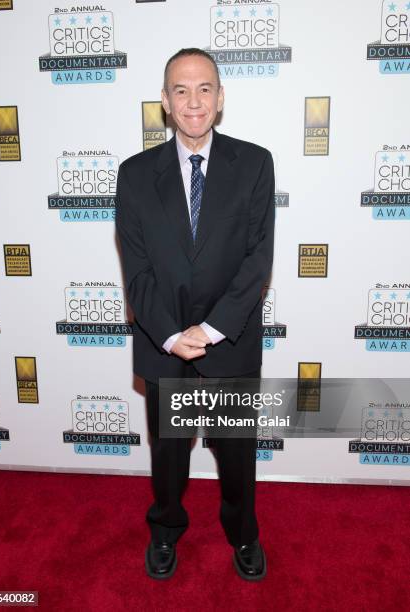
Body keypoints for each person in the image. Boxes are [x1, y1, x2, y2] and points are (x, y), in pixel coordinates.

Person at [116, 48, 275, 581]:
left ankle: (243, 532)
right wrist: (168, 335)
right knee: (168, 459)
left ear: (221, 97)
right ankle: (165, 530)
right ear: (164, 102)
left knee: (236, 456)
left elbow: (258, 261)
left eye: (204, 88)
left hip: (229, 341)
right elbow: (135, 268)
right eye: (180, 90)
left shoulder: (254, 164)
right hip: (165, 346)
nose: (193, 101)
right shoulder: (134, 175)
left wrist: (208, 331)